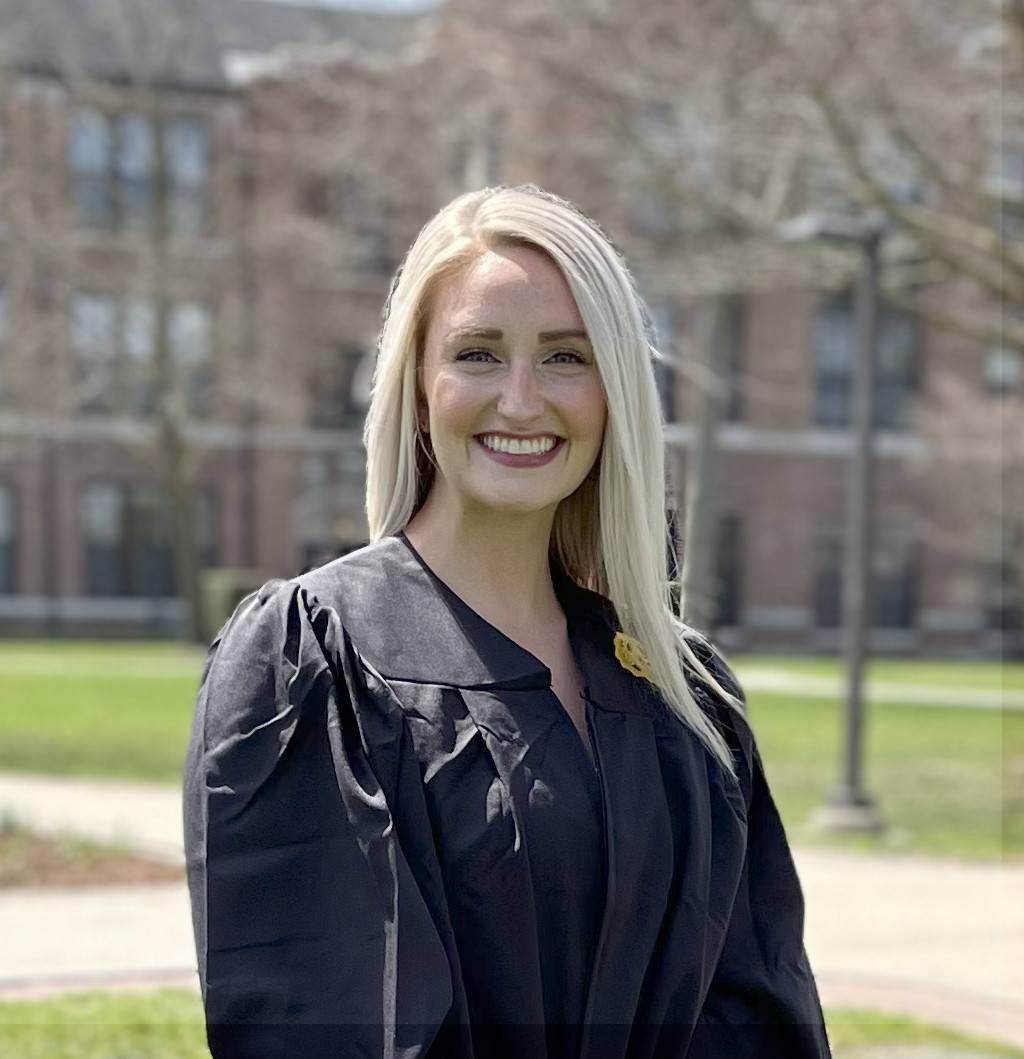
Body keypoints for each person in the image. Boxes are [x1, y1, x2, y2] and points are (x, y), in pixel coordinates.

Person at [182, 184, 832, 1059]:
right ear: (418, 384)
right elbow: (318, 1018)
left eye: (566, 358)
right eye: (479, 354)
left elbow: (755, 1011)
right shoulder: (312, 663)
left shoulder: (687, 695)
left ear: (615, 393)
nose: (522, 402)